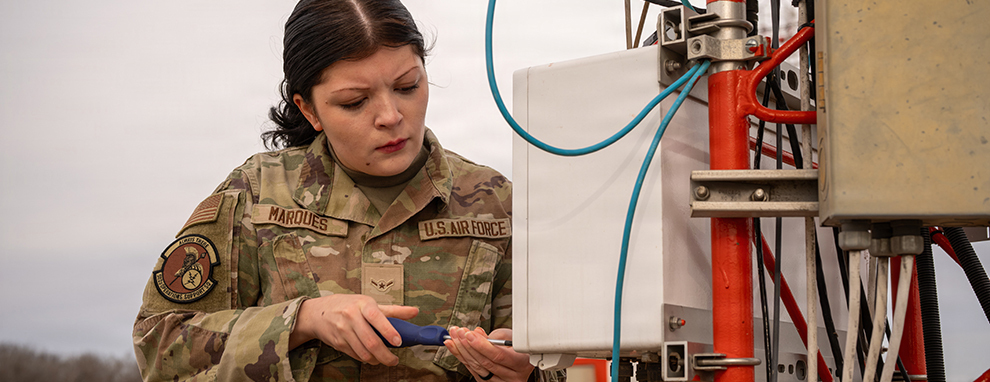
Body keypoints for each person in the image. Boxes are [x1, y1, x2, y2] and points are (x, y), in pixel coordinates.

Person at [132, 1, 564, 381]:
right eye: (355, 102)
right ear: (308, 109)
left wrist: (523, 373)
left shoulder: (497, 203)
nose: (391, 116)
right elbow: (159, 347)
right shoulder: (254, 196)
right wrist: (302, 320)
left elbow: (562, 359)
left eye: (407, 86)